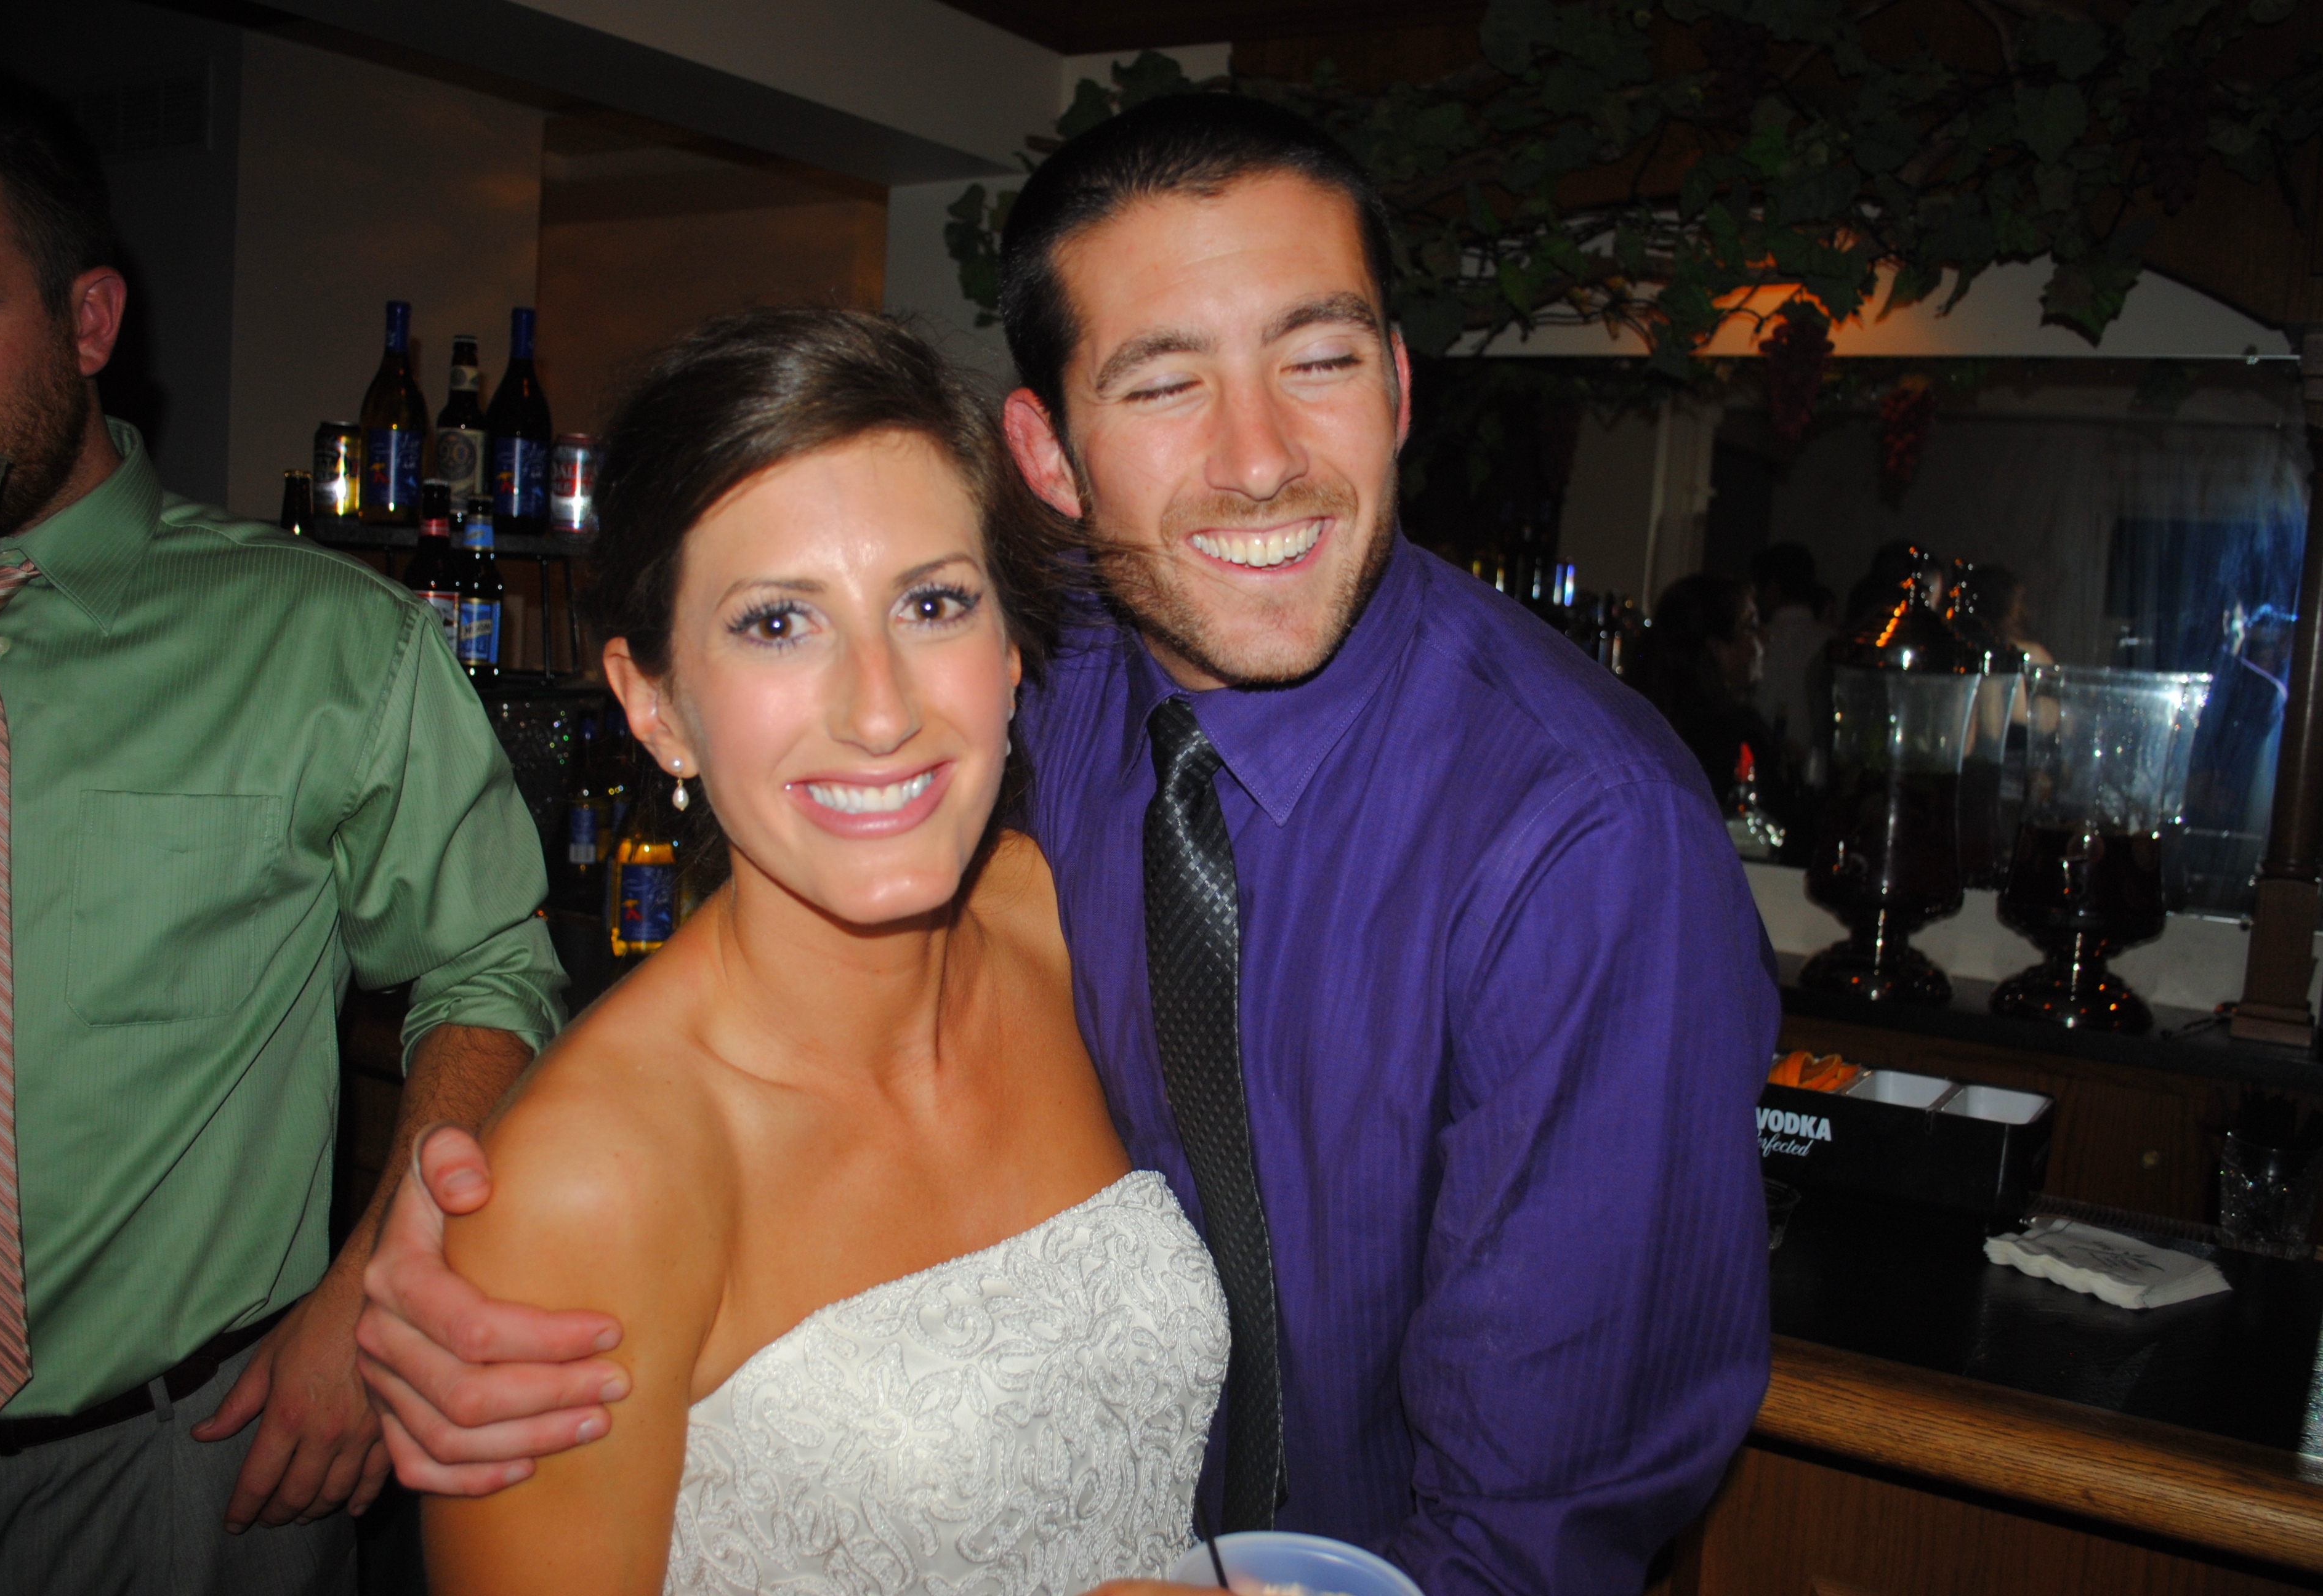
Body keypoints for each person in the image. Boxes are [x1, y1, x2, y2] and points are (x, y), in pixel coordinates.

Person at [358, 93, 1778, 1595]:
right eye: (1163, 385)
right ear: (1048, 457)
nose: (1259, 460)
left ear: (1399, 383)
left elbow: (1533, 1537)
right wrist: (457, 1223)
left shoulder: (1583, 836)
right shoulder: (1059, 677)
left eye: (1318, 360)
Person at [417, 309, 1228, 1595]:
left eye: (932, 603)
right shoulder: (591, 1183)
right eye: (777, 624)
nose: (880, 708)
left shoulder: (1056, 920)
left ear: (1009, 653)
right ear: (654, 704)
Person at [0, 64, 564, 1593]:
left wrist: (380, 1293)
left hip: (166, 1471)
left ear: (89, 322)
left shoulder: (323, 640)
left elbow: (491, 970)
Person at [1628, 573, 1787, 817]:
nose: (1766, 638)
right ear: (1715, 647)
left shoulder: (1636, 717)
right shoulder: (1733, 739)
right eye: (1751, 629)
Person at [1749, 541, 1833, 761]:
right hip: (1818, 770)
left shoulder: (1754, 643)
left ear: (1772, 589)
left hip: (1760, 762)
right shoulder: (1833, 643)